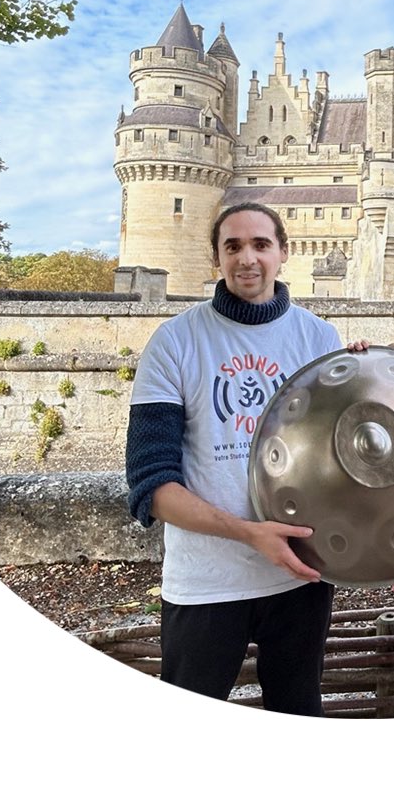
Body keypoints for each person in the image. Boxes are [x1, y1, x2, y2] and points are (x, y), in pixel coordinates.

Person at [126, 204, 361, 715]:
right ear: (216, 257)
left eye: (260, 244)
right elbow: (151, 483)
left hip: (298, 576)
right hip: (206, 583)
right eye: (232, 246)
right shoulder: (174, 342)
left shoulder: (319, 339)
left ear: (284, 253)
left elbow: (344, 461)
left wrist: (371, 379)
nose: (246, 258)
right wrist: (250, 533)